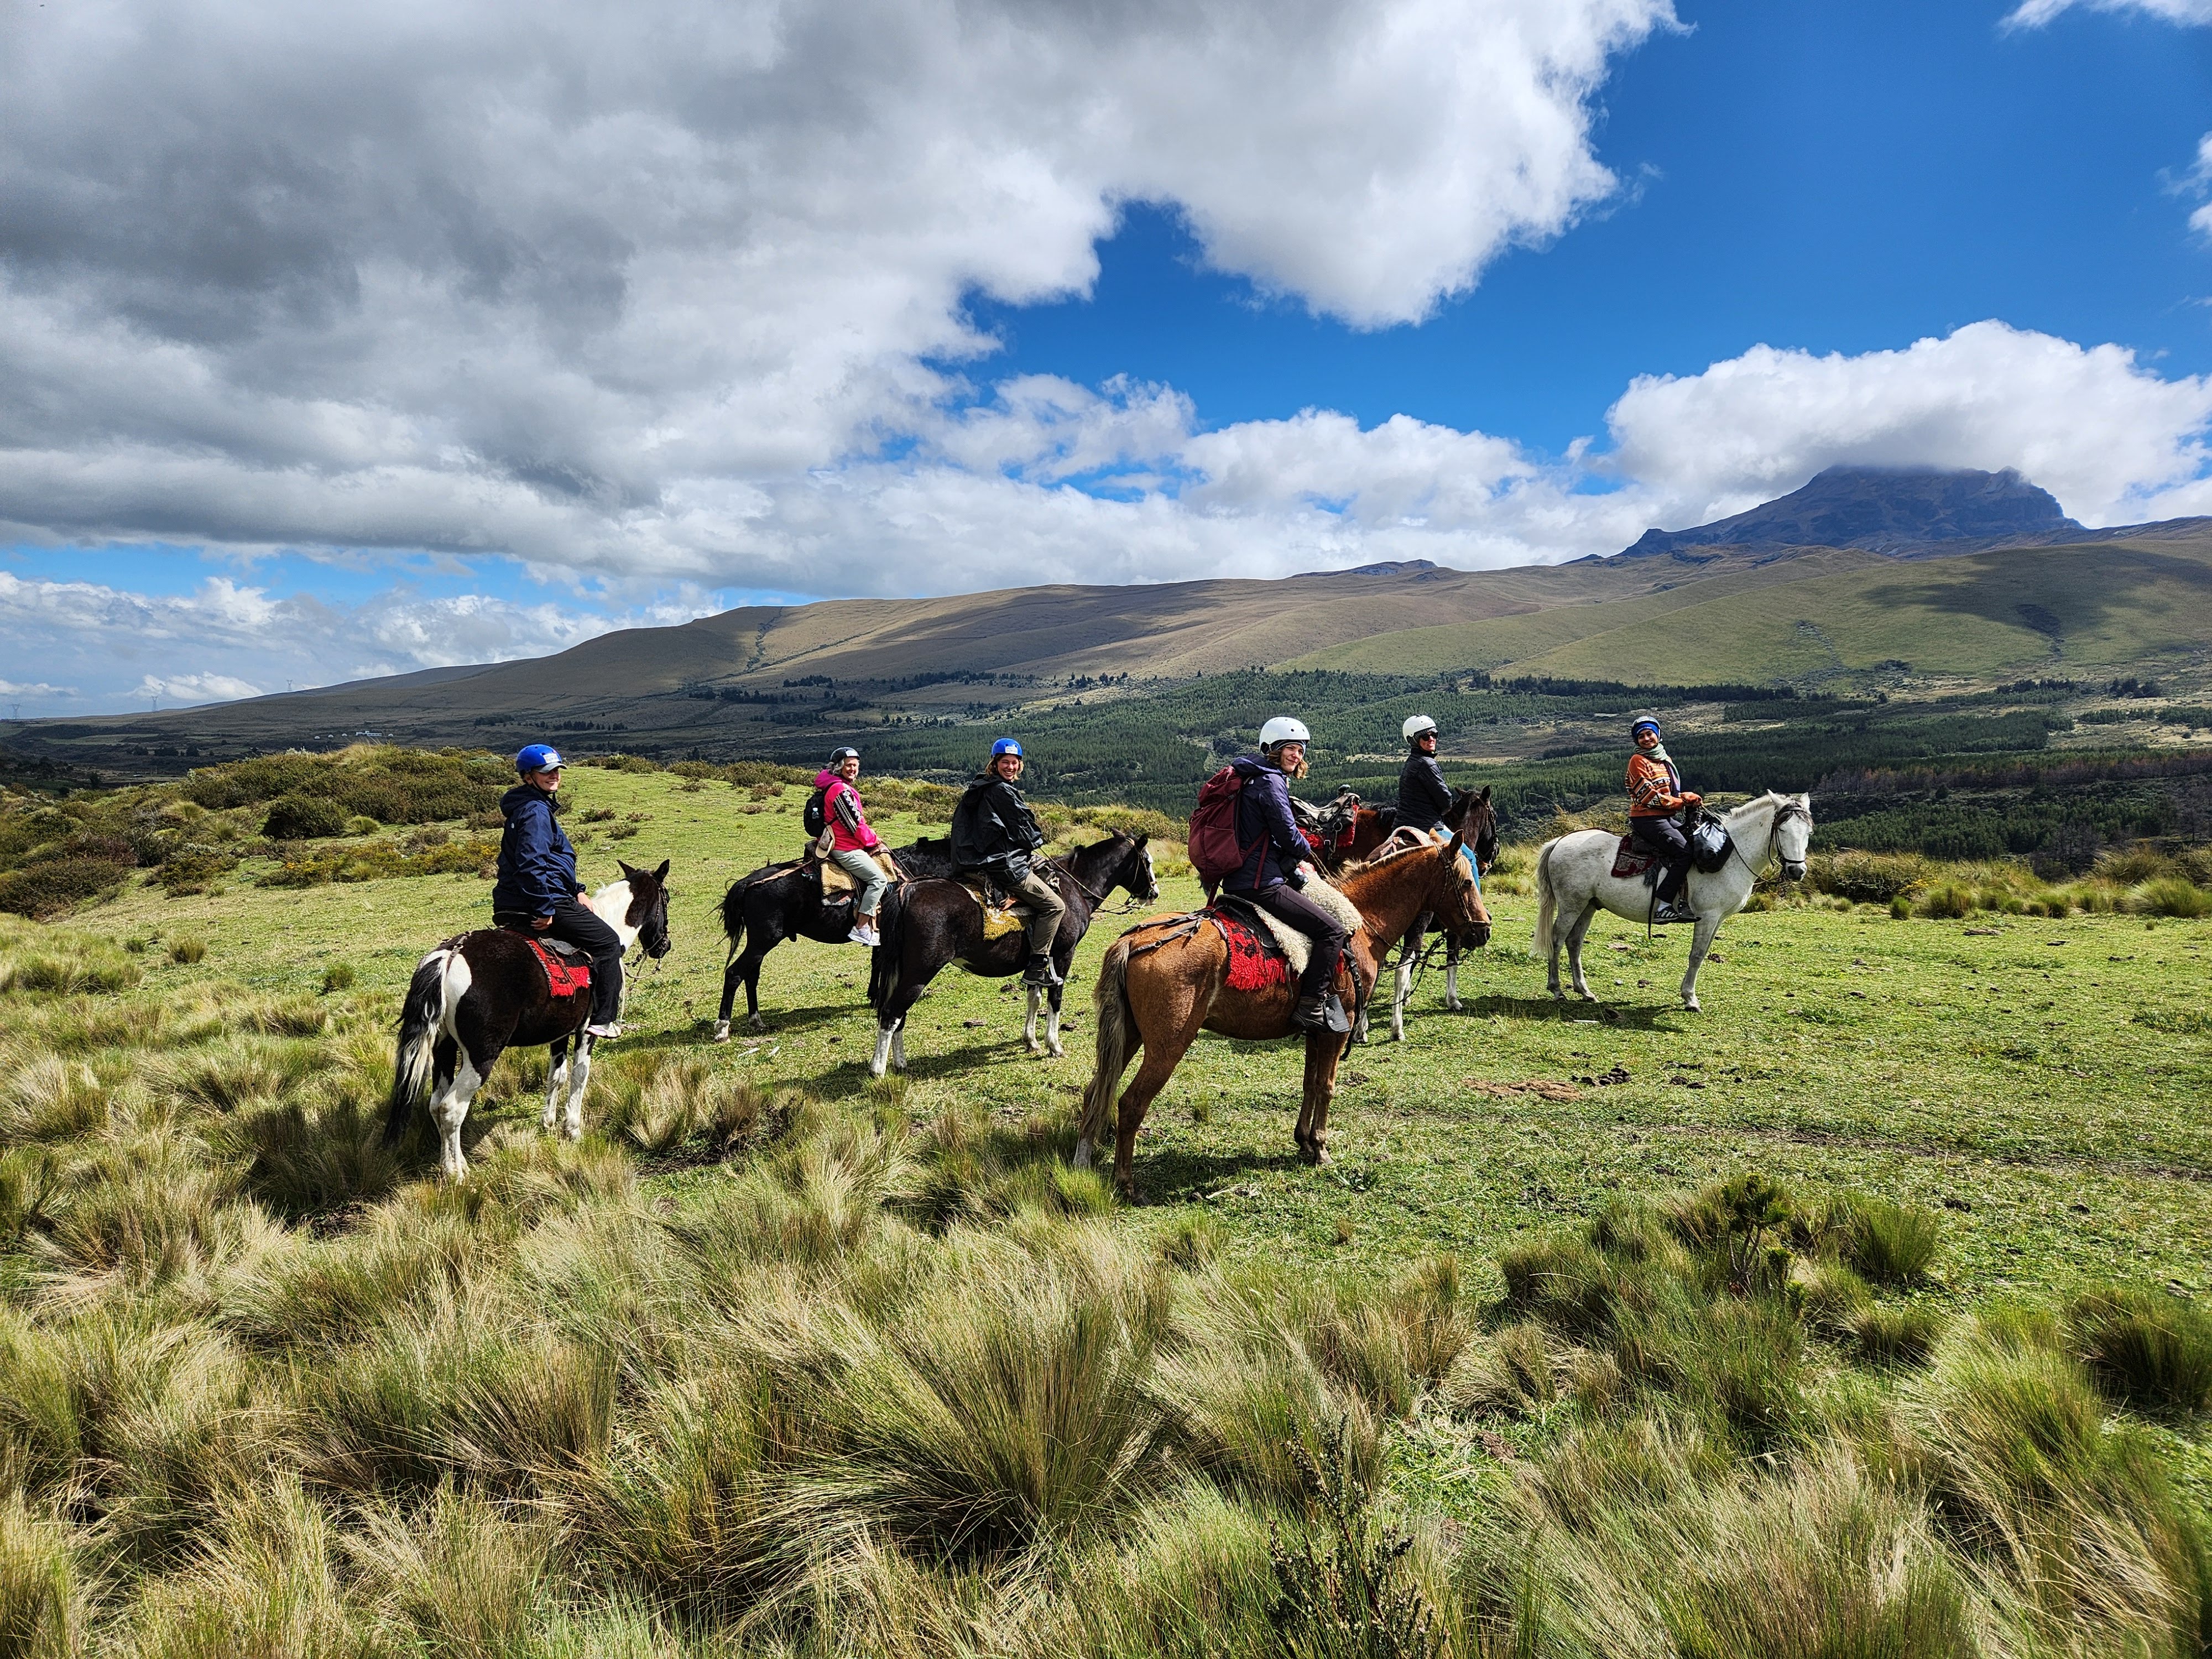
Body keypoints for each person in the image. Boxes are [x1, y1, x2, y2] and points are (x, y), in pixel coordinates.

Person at [1224, 717, 1352, 1032]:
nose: (1296, 755)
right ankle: (1310, 1006)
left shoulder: (1253, 777)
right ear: (1273, 749)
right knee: (1332, 931)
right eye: (1290, 749)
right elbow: (1289, 835)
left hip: (1242, 878)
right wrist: (1310, 845)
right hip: (1262, 883)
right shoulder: (1271, 782)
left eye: (1300, 750)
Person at [491, 744, 625, 1037]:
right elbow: (531, 863)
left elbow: (552, 861)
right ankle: (603, 1020)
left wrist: (577, 891)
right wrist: (544, 908)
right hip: (540, 899)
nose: (554, 776)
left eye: (557, 770)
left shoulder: (528, 806)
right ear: (528, 777)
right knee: (608, 943)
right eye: (546, 772)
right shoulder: (536, 811)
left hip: (518, 897)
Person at [949, 738, 1067, 987]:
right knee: (1055, 906)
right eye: (1005, 762)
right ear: (995, 763)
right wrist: (1035, 841)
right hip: (1005, 863)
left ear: (1019, 765)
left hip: (980, 858)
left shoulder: (982, 785)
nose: (1010, 767)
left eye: (1014, 763)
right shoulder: (1002, 790)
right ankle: (1037, 967)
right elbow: (1024, 827)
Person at [1626, 714, 1702, 925]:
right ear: (1636, 741)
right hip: (1647, 818)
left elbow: (1669, 793)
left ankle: (1687, 898)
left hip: (1664, 816)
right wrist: (1681, 803)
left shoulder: (1663, 759)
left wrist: (1687, 796)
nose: (1646, 739)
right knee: (1684, 853)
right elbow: (1648, 797)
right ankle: (1664, 905)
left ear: (1658, 735)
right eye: (1641, 736)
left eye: (1649, 734)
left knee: (1697, 841)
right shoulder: (1637, 761)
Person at [815, 746, 888, 947]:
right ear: (839, 767)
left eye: (856, 765)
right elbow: (854, 825)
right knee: (879, 880)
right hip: (846, 848)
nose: (853, 769)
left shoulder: (835, 785)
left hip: (842, 842)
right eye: (849, 765)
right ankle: (862, 928)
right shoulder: (840, 790)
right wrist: (873, 840)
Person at [1397, 714, 1451, 835]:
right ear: (1415, 741)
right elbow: (1446, 799)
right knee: (1465, 848)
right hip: (1427, 826)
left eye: (1434, 735)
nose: (1431, 739)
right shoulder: (1427, 764)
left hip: (1403, 824)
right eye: (1425, 737)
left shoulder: (1413, 761)